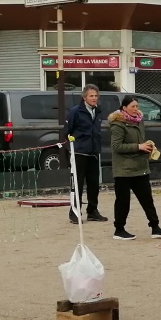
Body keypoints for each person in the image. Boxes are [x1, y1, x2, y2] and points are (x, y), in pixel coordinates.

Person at [108, 95, 161, 240]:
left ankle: (155, 227)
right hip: (123, 169)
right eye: (133, 106)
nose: (136, 109)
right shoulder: (118, 124)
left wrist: (147, 146)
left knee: (147, 199)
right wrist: (138, 147)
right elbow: (116, 146)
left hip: (140, 166)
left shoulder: (139, 121)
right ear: (124, 108)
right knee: (123, 201)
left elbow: (139, 141)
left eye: (137, 106)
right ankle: (119, 230)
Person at [61, 84, 106, 225]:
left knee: (94, 184)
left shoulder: (97, 111)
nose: (94, 98)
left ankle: (92, 211)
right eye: (91, 96)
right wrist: (72, 143)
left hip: (93, 153)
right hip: (79, 153)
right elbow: (67, 131)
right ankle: (74, 212)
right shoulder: (75, 112)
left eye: (95, 96)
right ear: (84, 97)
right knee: (77, 184)